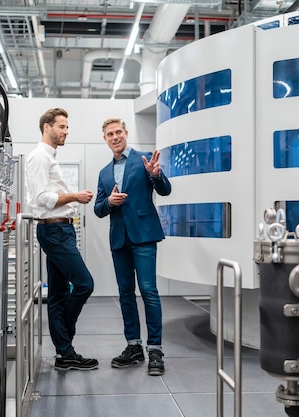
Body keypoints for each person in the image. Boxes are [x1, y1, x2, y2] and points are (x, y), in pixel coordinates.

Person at [94, 118, 172, 376]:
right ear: (105, 139)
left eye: (118, 132)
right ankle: (133, 346)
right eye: (109, 134)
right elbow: (98, 208)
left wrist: (156, 175)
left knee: (149, 291)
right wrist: (111, 203)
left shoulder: (145, 159)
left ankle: (156, 350)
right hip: (119, 239)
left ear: (126, 134)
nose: (115, 137)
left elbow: (165, 190)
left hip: (144, 236)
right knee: (125, 293)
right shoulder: (104, 173)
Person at [25, 107, 98, 371]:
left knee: (56, 294)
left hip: (60, 230)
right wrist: (75, 197)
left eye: (67, 127)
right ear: (47, 127)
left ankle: (64, 353)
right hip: (54, 231)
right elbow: (41, 198)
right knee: (84, 284)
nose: (66, 131)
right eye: (62, 126)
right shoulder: (39, 157)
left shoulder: (49, 157)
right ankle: (65, 336)